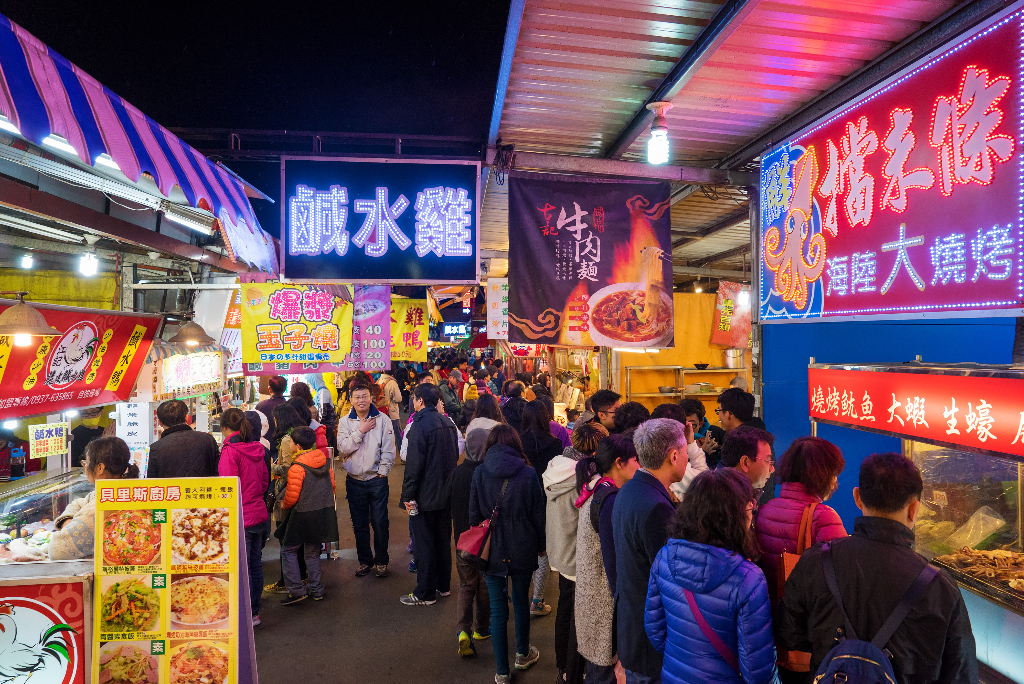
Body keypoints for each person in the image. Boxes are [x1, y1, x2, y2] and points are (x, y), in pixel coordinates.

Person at [777, 453, 978, 684]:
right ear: (914, 509)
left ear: (857, 498)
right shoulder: (940, 587)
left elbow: (788, 633)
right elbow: (961, 675)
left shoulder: (817, 561)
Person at [646, 469, 779, 684]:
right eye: (750, 507)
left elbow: (654, 629)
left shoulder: (664, 558)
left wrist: (684, 658)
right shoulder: (749, 579)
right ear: (734, 516)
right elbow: (757, 671)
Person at [613, 418, 693, 684]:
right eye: (685, 452)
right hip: (650, 639)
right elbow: (668, 579)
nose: (687, 459)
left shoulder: (630, 490)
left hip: (632, 628)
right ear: (673, 455)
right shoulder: (656, 507)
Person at [469, 425, 545, 684]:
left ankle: (501, 672)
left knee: (498, 610)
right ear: (516, 444)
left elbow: (473, 516)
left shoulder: (480, 472)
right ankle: (522, 654)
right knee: (521, 602)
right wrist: (542, 544)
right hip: (523, 545)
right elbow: (538, 515)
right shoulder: (529, 473)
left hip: (492, 550)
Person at [544, 422, 605, 684]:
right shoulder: (587, 477)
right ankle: (571, 671)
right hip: (578, 556)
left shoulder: (554, 467)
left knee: (565, 609)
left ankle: (562, 667)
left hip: (559, 550)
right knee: (578, 618)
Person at [574, 433, 637, 684]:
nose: (639, 466)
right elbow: (613, 564)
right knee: (602, 675)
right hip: (603, 606)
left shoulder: (596, 487)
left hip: (590, 599)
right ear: (620, 463)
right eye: (636, 460)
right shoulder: (609, 500)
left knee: (597, 671)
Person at [755, 437, 847, 602]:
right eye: (833, 474)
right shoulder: (824, 517)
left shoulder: (765, 509)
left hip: (766, 606)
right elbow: (842, 577)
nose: (835, 481)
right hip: (799, 614)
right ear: (821, 474)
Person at [445, 398, 500, 658]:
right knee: (484, 583)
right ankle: (481, 628)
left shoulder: (457, 473)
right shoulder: (490, 474)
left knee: (466, 585)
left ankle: (462, 631)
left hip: (462, 540)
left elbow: (446, 502)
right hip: (486, 540)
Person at [401, 382, 460, 605]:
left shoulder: (419, 425)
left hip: (425, 495)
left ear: (420, 401)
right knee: (443, 540)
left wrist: (408, 495)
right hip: (445, 493)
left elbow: (414, 465)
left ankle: (424, 593)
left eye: (414, 399)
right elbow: (454, 455)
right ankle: (443, 586)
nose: (413, 403)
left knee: (424, 543)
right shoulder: (448, 423)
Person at [337, 384, 397, 579]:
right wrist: (360, 431)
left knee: (380, 522)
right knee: (359, 523)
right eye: (357, 397)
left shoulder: (383, 420)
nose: (361, 400)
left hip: (376, 480)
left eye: (365, 396)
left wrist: (383, 471)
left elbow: (389, 449)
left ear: (371, 398)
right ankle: (365, 561)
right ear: (351, 400)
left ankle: (381, 561)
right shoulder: (345, 422)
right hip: (353, 480)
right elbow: (343, 448)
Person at [218, 408, 271, 625]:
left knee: (243, 568)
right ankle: (254, 612)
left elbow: (227, 488)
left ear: (224, 428)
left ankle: (243, 615)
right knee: (255, 564)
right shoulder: (258, 448)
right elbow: (265, 481)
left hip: (242, 517)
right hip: (259, 513)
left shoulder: (230, 451)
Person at [275, 427, 338, 605]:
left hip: (301, 515)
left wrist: (283, 504)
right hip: (321, 512)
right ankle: (316, 590)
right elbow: (332, 486)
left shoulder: (297, 467)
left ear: (297, 446)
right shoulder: (324, 462)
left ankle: (296, 591)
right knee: (312, 552)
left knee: (288, 550)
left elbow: (292, 497)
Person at [50, 436, 139, 560]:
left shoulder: (104, 503)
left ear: (100, 468)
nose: (85, 467)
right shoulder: (118, 489)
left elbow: (56, 550)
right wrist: (69, 523)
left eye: (86, 462)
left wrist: (68, 525)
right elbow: (79, 502)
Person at [717, 387, 776, 504]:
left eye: (718, 411)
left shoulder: (746, 441)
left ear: (728, 414)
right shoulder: (757, 434)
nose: (772, 469)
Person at [147, 399, 219, 477]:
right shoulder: (208, 439)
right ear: (186, 417)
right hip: (204, 488)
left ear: (160, 422)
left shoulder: (155, 448)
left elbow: (152, 482)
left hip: (173, 489)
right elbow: (218, 471)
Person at [719, 426, 775, 508]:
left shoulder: (747, 494)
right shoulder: (719, 503)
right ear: (745, 463)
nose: (772, 469)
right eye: (767, 461)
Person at [679, 399, 726, 470]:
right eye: (683, 424)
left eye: (692, 424)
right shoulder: (675, 438)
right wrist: (702, 452)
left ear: (701, 423)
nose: (687, 429)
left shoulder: (717, 434)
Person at [376, 367, 404, 448]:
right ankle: (402, 454)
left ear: (383, 370)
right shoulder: (392, 383)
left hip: (381, 411)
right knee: (398, 433)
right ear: (394, 372)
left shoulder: (378, 381)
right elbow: (398, 398)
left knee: (383, 434)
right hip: (392, 411)